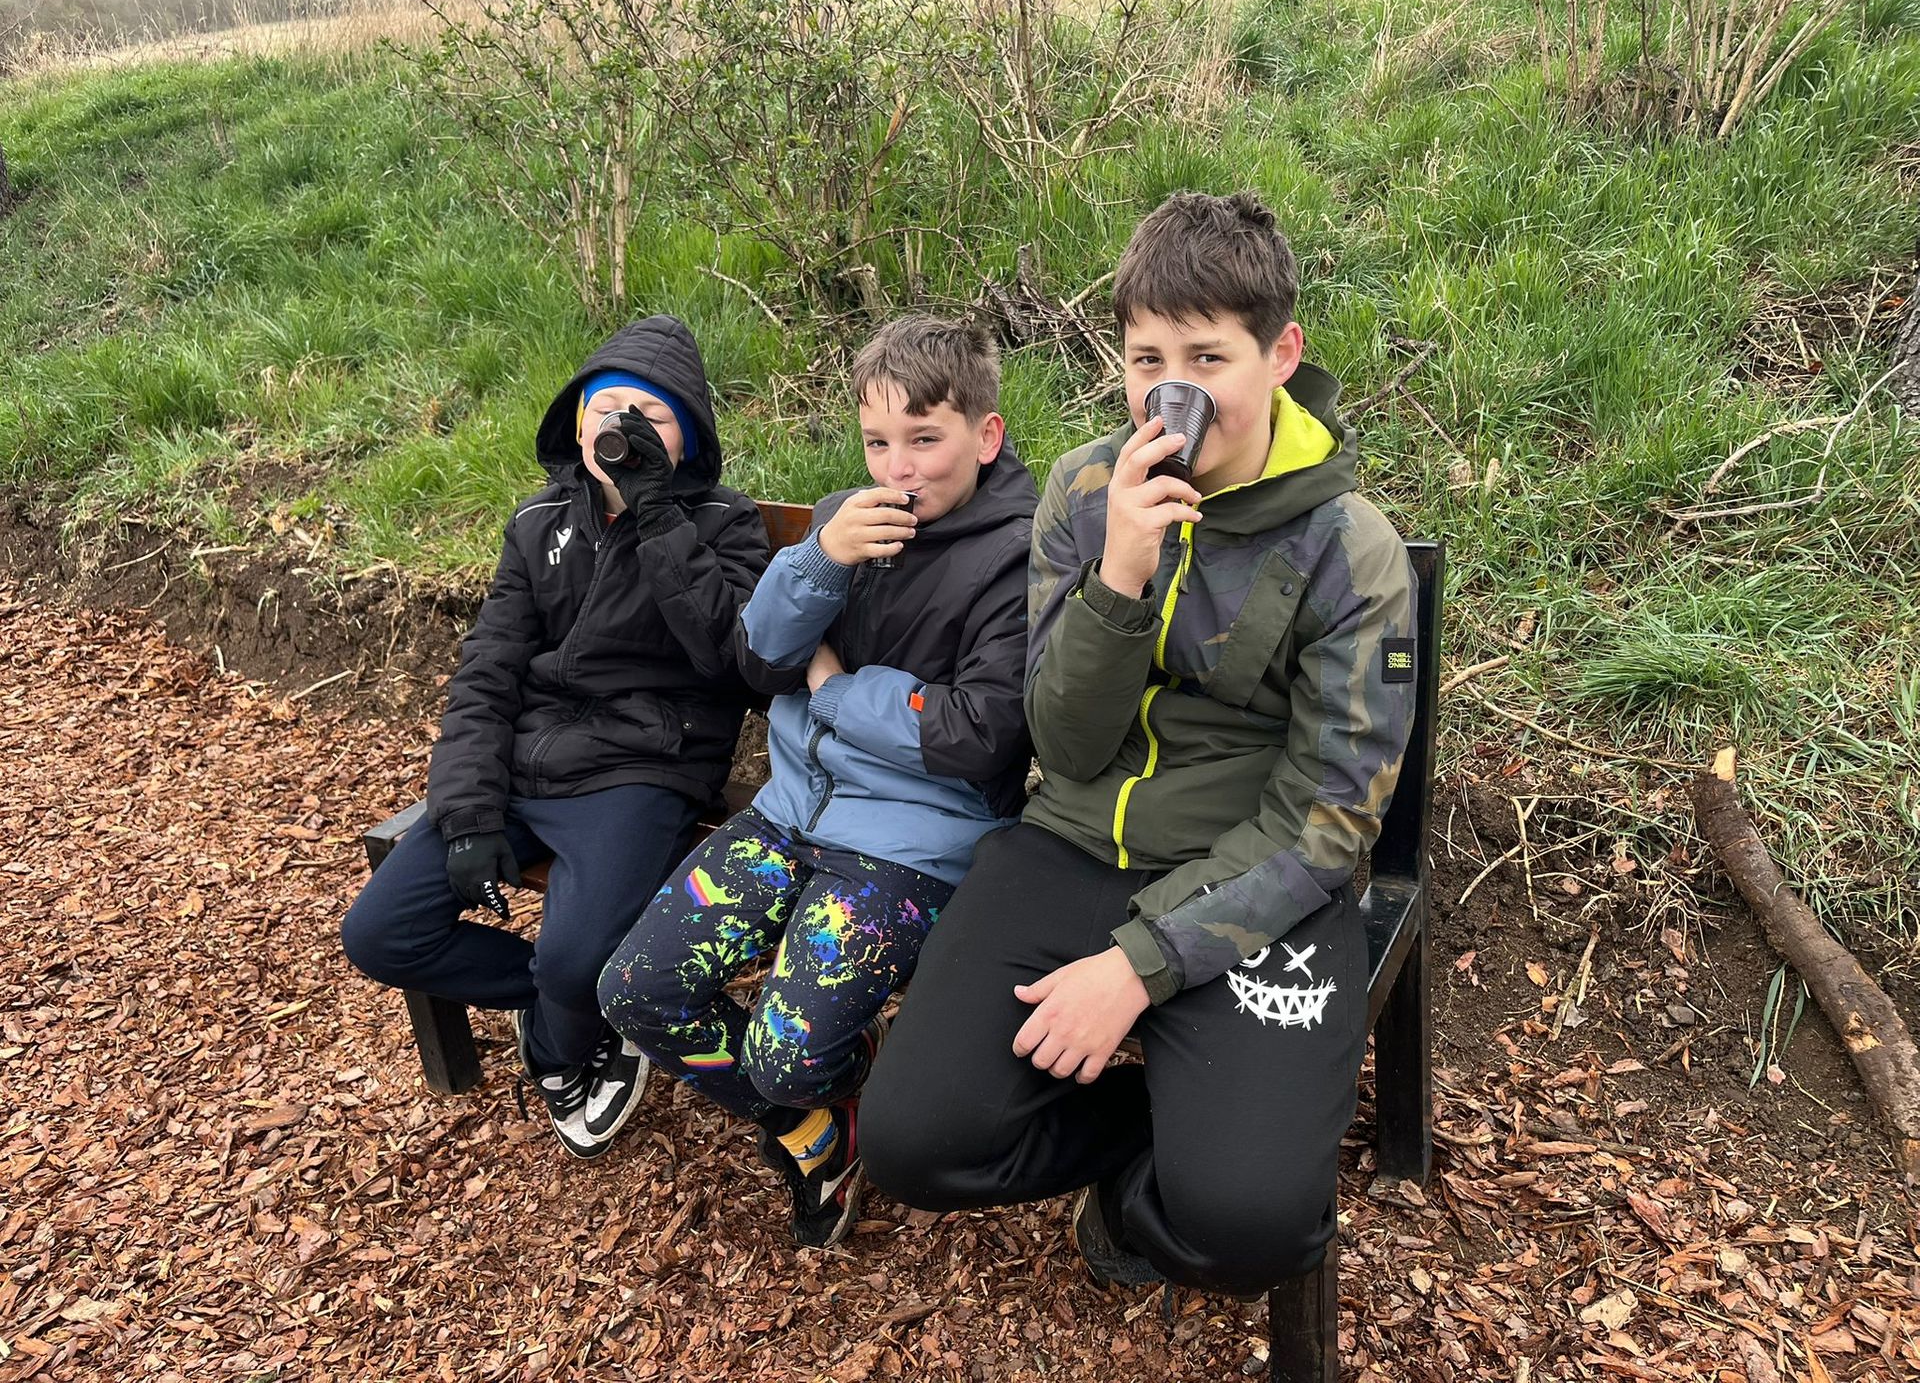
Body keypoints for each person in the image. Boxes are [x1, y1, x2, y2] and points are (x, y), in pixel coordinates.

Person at [860, 192, 1419, 1298]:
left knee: (1250, 1228)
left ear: (1280, 355)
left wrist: (1139, 965)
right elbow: (1064, 747)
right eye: (1147, 359)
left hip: (1249, 876)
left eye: (1208, 358)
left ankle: (1151, 1188)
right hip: (1070, 841)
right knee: (913, 1143)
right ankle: (1145, 1132)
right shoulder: (1083, 491)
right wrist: (1119, 574)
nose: (1175, 391)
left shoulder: (1349, 551)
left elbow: (1326, 822)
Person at [598, 316, 1036, 1246]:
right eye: (877, 443)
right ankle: (821, 1120)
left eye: (925, 440)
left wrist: (833, 692)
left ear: (986, 436)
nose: (898, 469)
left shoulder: (1021, 555)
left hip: (915, 843)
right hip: (790, 813)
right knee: (635, 991)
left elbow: (977, 733)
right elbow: (760, 662)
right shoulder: (848, 519)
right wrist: (819, 559)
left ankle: (820, 1080)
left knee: (786, 1054)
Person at [342, 314, 770, 1160]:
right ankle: (564, 1009)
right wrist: (468, 811)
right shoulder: (539, 522)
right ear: (577, 426)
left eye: (652, 416)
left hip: (640, 770)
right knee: (380, 934)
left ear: (688, 437)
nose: (624, 428)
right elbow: (486, 674)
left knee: (577, 963)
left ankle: (560, 1033)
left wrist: (657, 516)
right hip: (524, 761)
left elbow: (734, 662)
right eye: (607, 409)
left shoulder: (724, 524)